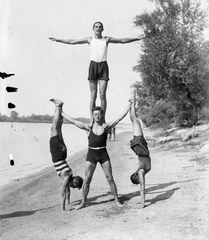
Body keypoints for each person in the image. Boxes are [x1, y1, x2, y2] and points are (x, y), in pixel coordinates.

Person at [49, 21, 145, 119]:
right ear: (93, 29)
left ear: (102, 29)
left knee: (102, 94)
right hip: (93, 66)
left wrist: (136, 38)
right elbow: (73, 41)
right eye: (96, 27)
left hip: (103, 66)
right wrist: (58, 40)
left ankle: (102, 118)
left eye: (100, 27)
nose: (98, 28)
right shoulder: (89, 39)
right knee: (93, 95)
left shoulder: (106, 39)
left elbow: (122, 40)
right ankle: (92, 119)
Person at [58, 97, 133, 209]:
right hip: (91, 154)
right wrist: (60, 112)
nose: (97, 116)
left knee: (110, 178)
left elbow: (118, 118)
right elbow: (73, 121)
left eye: (99, 114)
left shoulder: (106, 127)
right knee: (87, 179)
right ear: (92, 116)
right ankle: (83, 202)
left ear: (102, 115)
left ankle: (117, 201)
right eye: (95, 114)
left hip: (103, 154)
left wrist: (129, 106)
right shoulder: (89, 128)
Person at [50, 99, 83, 211]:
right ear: (74, 182)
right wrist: (63, 208)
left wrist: (69, 203)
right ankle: (58, 107)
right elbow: (63, 191)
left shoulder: (69, 174)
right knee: (54, 128)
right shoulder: (67, 177)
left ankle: (59, 106)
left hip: (63, 153)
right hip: (57, 154)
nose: (72, 188)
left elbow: (67, 190)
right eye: (75, 186)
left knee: (58, 128)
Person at [129, 88, 151, 208]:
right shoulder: (141, 173)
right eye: (135, 174)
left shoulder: (141, 170)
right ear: (137, 178)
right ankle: (132, 102)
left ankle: (132, 102)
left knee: (134, 120)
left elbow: (141, 164)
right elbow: (142, 188)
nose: (135, 173)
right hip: (141, 148)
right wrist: (142, 204)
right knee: (134, 120)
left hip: (142, 149)